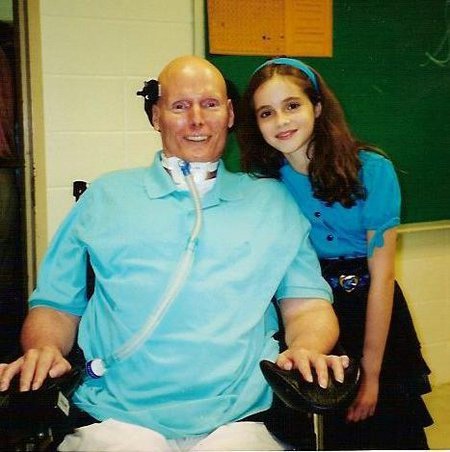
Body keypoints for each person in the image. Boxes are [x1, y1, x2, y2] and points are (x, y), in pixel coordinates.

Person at [0, 55, 348, 451]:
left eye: (210, 104)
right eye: (180, 106)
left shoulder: (272, 201)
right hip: (115, 415)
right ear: (156, 116)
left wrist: (306, 347)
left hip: (240, 417)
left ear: (230, 114)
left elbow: (307, 305)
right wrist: (44, 349)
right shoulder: (105, 198)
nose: (197, 120)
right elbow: (55, 306)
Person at [238, 57, 433, 450]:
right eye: (266, 112)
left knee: (383, 430)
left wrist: (371, 374)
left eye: (292, 105)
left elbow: (382, 280)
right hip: (301, 313)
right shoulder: (263, 183)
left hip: (369, 312)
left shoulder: (372, 170)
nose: (281, 121)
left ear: (318, 107)